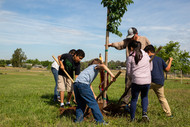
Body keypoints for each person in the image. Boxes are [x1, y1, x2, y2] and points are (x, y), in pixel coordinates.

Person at [108, 27, 151, 105]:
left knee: (142, 87)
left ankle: (138, 103)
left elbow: (150, 49)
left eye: (132, 36)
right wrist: (112, 44)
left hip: (142, 68)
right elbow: (120, 44)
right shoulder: (128, 41)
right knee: (128, 85)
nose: (131, 38)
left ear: (136, 34)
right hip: (131, 66)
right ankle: (125, 102)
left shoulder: (144, 39)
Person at [73, 58, 116, 124]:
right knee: (93, 104)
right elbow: (104, 66)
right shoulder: (95, 66)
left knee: (81, 104)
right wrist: (112, 75)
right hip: (83, 84)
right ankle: (100, 121)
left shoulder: (88, 69)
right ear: (99, 64)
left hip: (76, 85)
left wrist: (94, 95)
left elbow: (89, 84)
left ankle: (78, 121)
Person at [144, 45, 173, 117]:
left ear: (149, 52)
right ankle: (168, 114)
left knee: (143, 95)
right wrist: (170, 61)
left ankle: (144, 110)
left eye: (145, 53)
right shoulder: (160, 59)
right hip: (159, 82)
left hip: (149, 81)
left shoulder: (146, 59)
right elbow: (167, 69)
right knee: (162, 98)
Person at [127, 41, 152, 122]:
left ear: (131, 48)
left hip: (136, 81)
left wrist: (132, 79)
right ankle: (144, 113)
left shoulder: (130, 57)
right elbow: (151, 68)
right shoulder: (146, 56)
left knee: (134, 99)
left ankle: (132, 119)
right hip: (147, 81)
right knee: (144, 97)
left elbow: (129, 72)